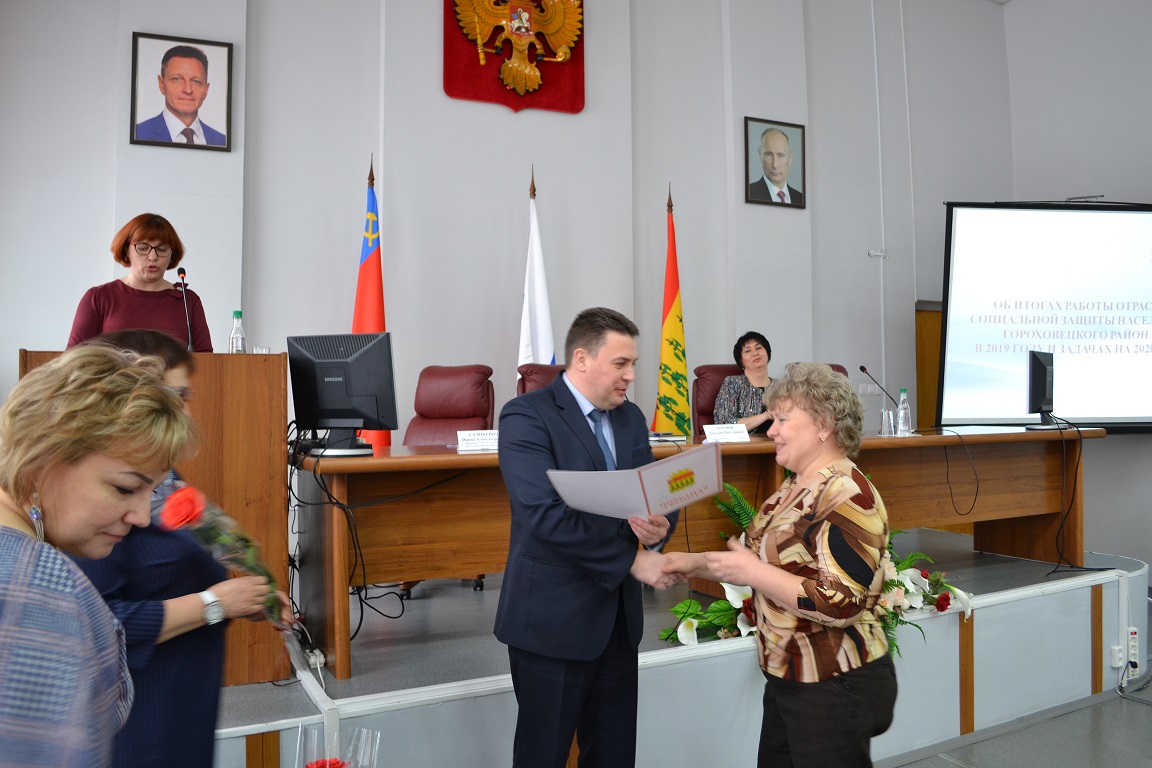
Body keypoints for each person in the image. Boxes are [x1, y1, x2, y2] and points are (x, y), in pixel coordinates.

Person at [73, 330, 291, 768]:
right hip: (141, 725)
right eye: (176, 396)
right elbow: (98, 625)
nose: (186, 410)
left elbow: (174, 575)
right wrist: (215, 603)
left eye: (187, 395)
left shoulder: (163, 479)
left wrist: (245, 600)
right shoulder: (104, 501)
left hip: (183, 709)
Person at [665, 362, 895, 767]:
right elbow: (752, 559)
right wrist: (689, 563)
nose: (771, 430)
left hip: (834, 682)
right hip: (792, 677)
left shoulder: (846, 494)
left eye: (783, 419)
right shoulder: (793, 486)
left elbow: (839, 604)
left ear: (823, 424)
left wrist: (752, 572)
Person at [495, 307, 681, 768]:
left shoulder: (630, 417)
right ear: (581, 359)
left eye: (632, 364)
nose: (631, 375)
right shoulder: (526, 416)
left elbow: (652, 492)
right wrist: (632, 560)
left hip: (618, 624)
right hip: (553, 623)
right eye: (621, 364)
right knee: (543, 756)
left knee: (614, 756)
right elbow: (542, 515)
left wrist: (659, 527)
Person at [0, 345, 197, 767]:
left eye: (151, 491)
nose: (141, 516)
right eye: (125, 488)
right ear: (43, 458)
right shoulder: (51, 595)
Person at [67, 212, 213, 351]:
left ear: (171, 254)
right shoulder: (99, 297)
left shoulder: (188, 301)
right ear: (126, 250)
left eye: (162, 249)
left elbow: (207, 361)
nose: (153, 257)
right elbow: (72, 360)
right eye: (143, 248)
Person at [134, 45, 226, 146]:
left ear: (206, 89)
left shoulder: (221, 141)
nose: (188, 90)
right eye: (177, 79)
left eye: (196, 81)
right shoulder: (139, 133)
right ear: (161, 84)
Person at [713, 330, 775, 435]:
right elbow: (723, 424)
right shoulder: (733, 383)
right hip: (744, 445)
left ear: (767, 353)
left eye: (758, 348)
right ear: (741, 361)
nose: (755, 353)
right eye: (747, 351)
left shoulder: (781, 387)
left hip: (779, 443)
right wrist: (766, 415)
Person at [748, 128, 804, 205]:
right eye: (769, 155)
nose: (775, 165)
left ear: (790, 158)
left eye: (780, 156)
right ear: (760, 155)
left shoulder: (800, 198)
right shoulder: (749, 193)